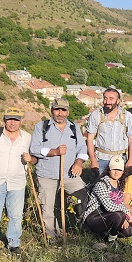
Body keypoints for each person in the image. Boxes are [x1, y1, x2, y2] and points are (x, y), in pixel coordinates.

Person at [0, 107, 35, 262]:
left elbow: (35, 159)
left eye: (16, 119)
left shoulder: (27, 137)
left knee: (16, 216)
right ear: (4, 119)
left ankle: (14, 245)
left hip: (17, 183)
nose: (12, 122)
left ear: (21, 121)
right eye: (9, 119)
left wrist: (31, 159)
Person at [29, 98, 90, 245]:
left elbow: (82, 148)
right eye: (57, 110)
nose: (60, 113)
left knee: (83, 199)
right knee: (47, 207)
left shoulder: (74, 128)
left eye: (63, 110)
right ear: (52, 110)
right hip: (47, 174)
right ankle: (53, 237)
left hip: (69, 174)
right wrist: (54, 151)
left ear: (68, 112)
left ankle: (84, 229)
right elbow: (34, 149)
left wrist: (79, 162)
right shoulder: (41, 127)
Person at [81, 155, 132, 244]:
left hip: (112, 216)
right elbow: (109, 206)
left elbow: (120, 203)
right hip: (95, 217)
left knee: (131, 230)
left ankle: (104, 234)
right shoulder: (101, 184)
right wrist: (125, 212)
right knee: (119, 216)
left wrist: (125, 218)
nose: (116, 172)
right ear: (109, 170)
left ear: (123, 171)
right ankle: (111, 240)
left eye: (119, 170)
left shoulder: (119, 184)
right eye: (114, 169)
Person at [86, 88, 132, 175]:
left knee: (121, 186)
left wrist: (130, 160)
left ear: (118, 101)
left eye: (111, 98)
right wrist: (93, 160)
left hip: (120, 158)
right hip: (101, 158)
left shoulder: (127, 116)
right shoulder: (96, 115)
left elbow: (131, 139)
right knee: (100, 185)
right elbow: (90, 139)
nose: (107, 101)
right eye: (105, 98)